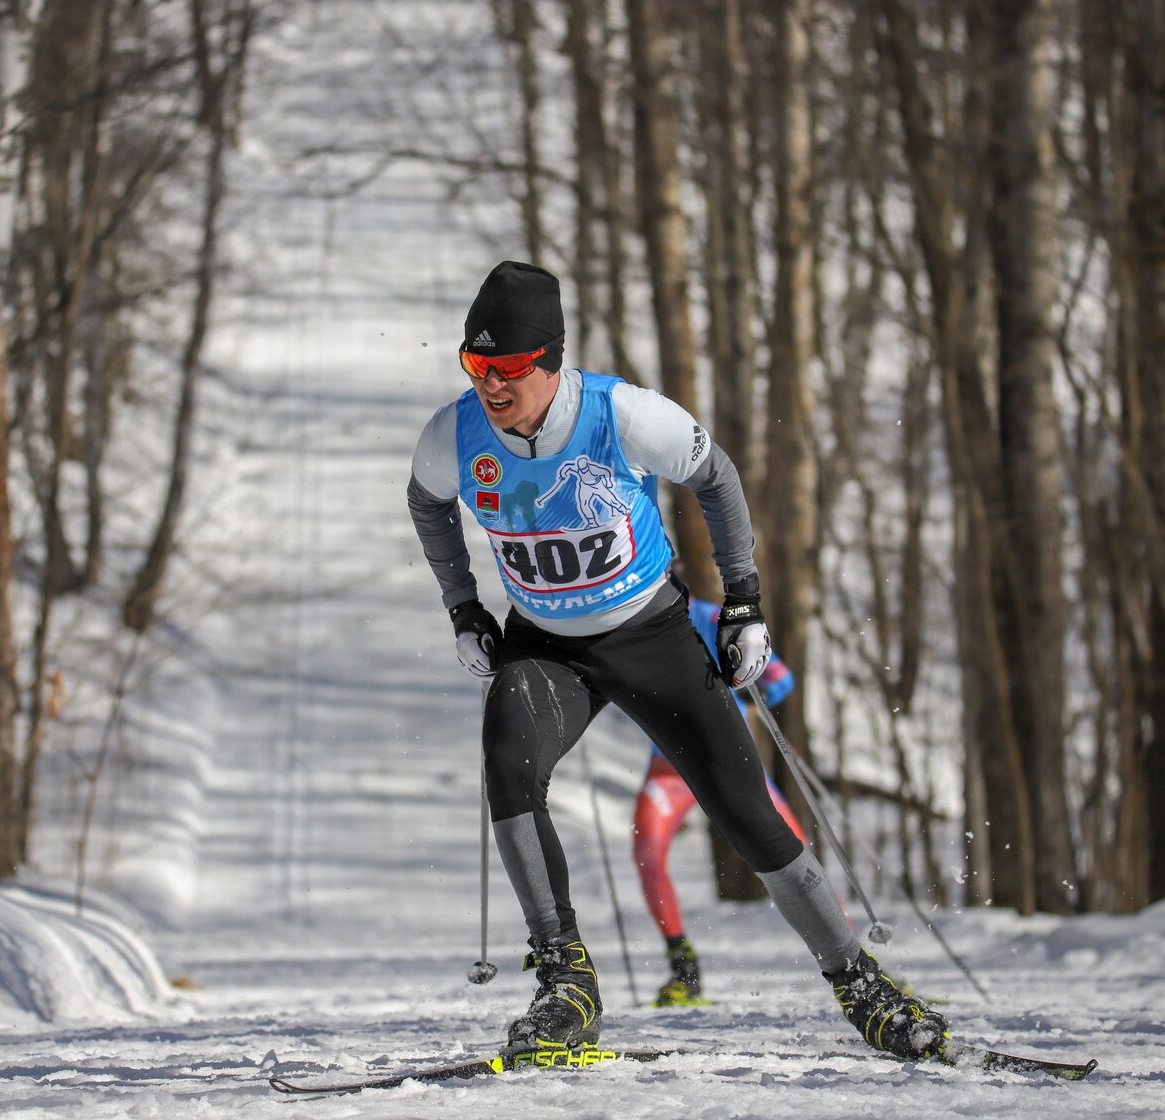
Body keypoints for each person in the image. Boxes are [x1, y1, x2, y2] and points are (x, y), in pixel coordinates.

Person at [406, 261, 947, 1061]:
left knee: (746, 813)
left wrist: (743, 601)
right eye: (477, 367)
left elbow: (717, 478)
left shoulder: (620, 414)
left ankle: (861, 985)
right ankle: (567, 985)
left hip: (650, 634)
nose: (491, 385)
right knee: (506, 757)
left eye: (509, 369)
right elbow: (426, 503)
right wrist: (463, 609)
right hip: (546, 645)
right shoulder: (456, 436)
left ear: (551, 360)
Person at [633, 594, 804, 1008]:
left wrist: (737, 696)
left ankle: (857, 960)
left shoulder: (710, 617)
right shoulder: (629, 622)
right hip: (668, 771)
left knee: (800, 856)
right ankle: (683, 969)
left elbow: (781, 679)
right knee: (647, 853)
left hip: (728, 763)